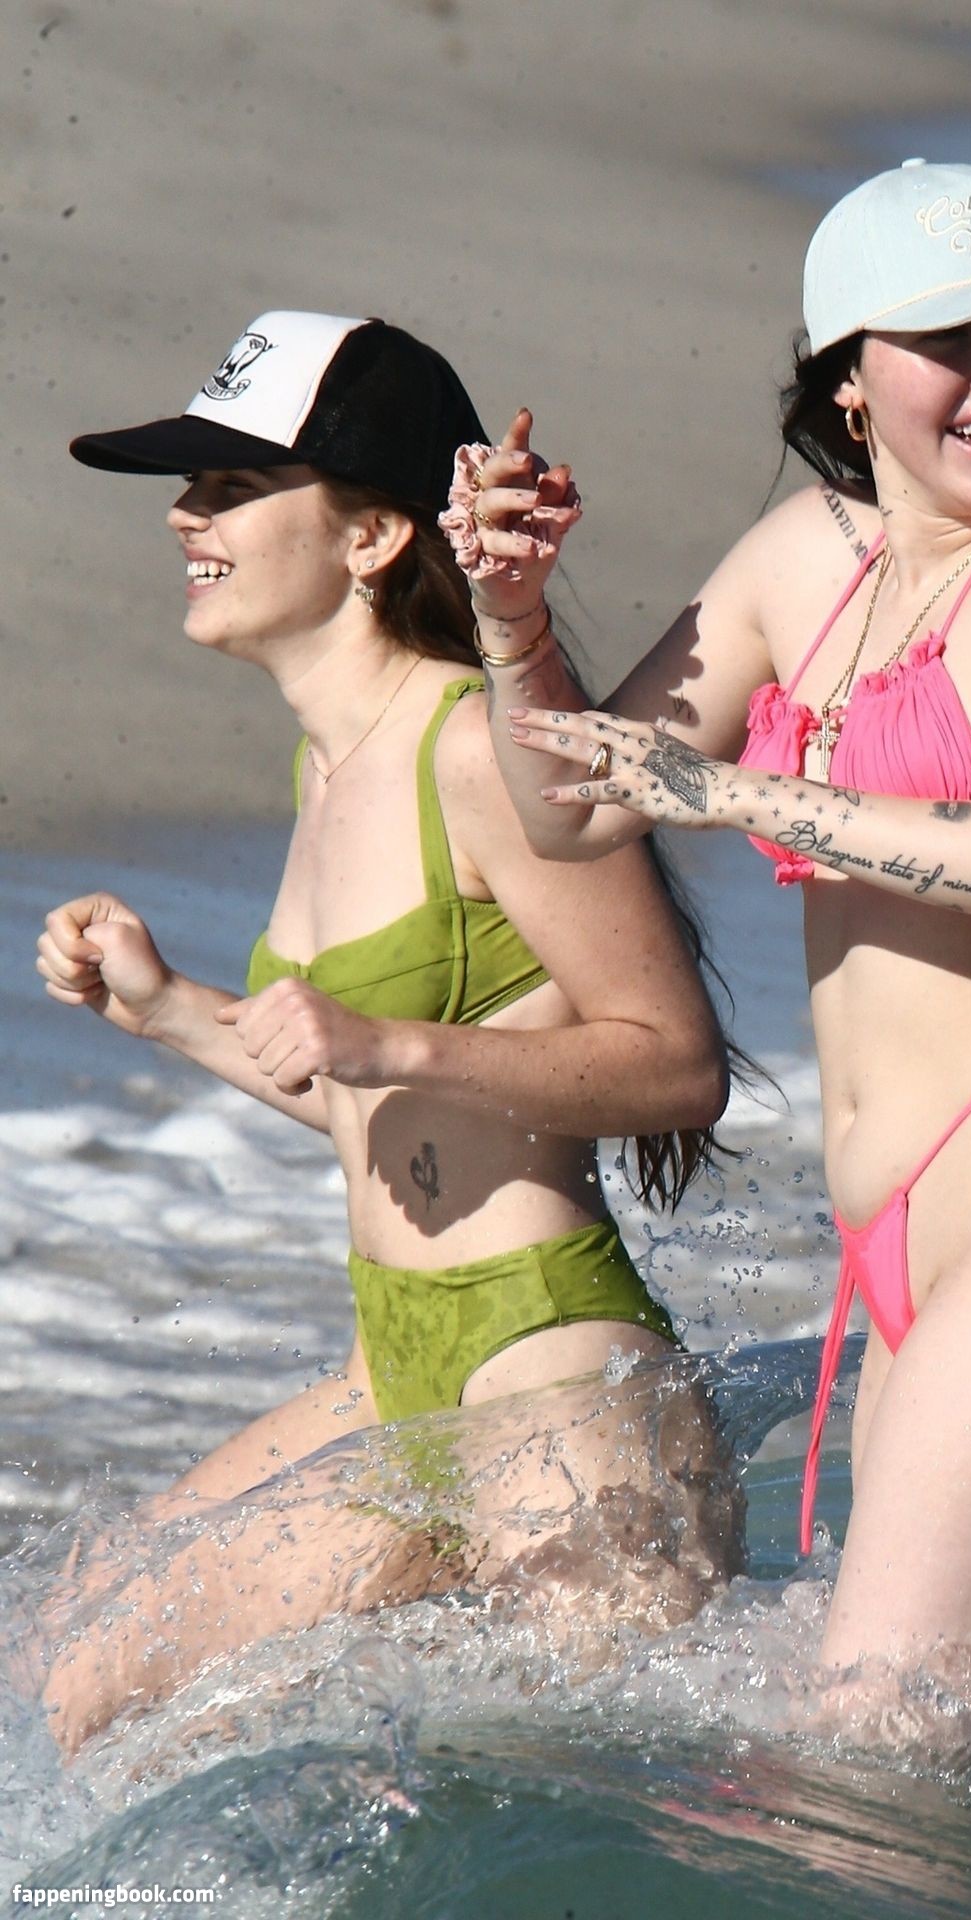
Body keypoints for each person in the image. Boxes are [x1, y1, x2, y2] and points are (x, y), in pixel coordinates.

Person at [468, 161, 971, 1691]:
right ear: (846, 377)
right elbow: (570, 813)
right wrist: (513, 622)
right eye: (947, 338)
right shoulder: (804, 563)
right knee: (916, 1756)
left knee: (868, 1748)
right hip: (912, 1251)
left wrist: (737, 793)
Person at [34, 311, 741, 1750]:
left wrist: (388, 1044)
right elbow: (365, 1092)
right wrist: (170, 1013)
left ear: (369, 537)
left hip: (551, 1360)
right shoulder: (327, 761)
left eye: (233, 487)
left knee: (586, 1789)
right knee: (82, 1670)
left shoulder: (479, 747)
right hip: (393, 1361)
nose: (185, 515)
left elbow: (678, 1064)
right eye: (190, 486)